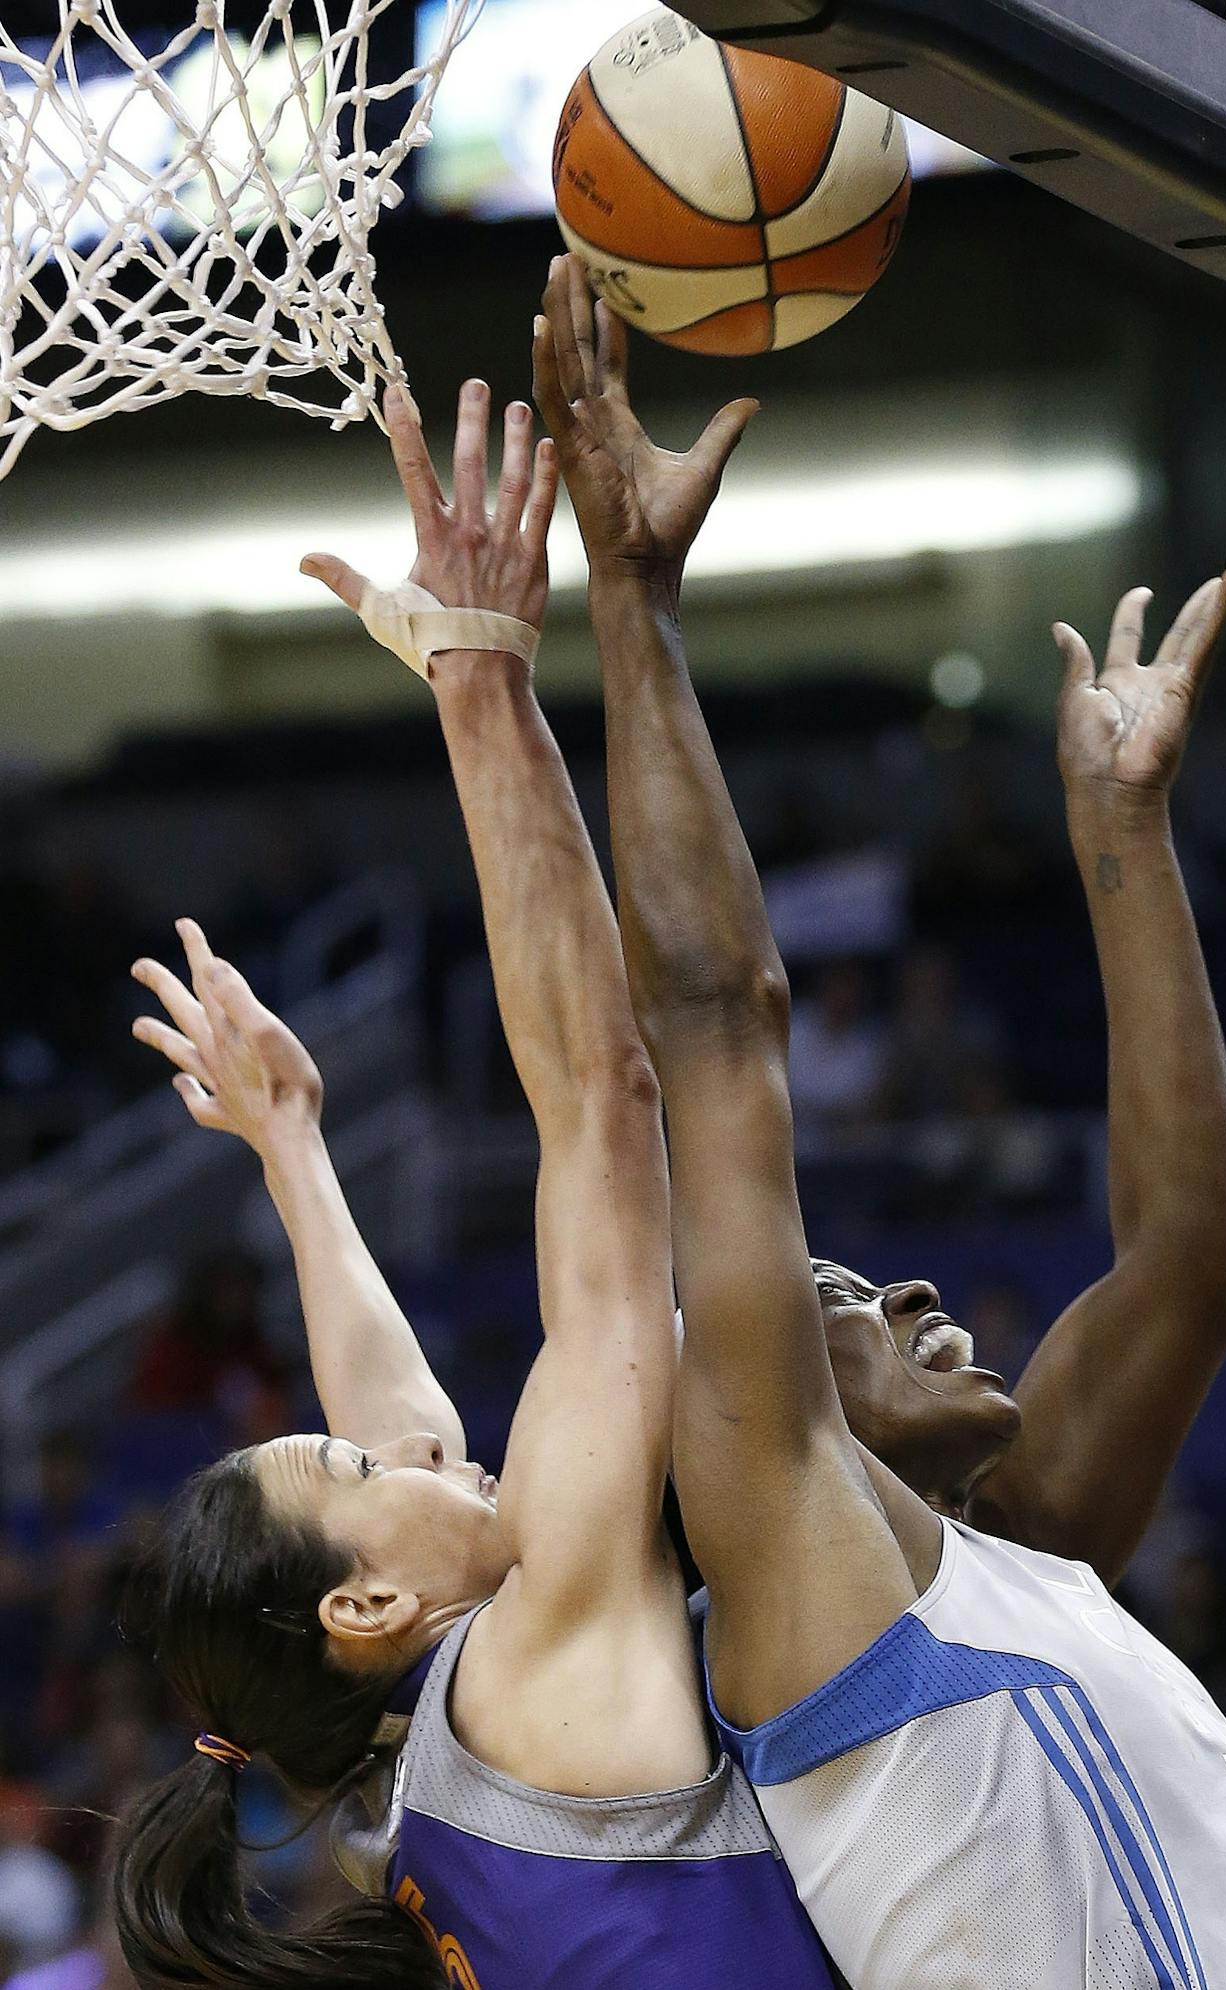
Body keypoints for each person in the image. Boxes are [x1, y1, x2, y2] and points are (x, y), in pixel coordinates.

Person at [534, 251, 1226, 1989]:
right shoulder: (800, 1558)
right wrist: (630, 600)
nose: (903, 1294)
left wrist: (1123, 830)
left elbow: (1198, 1255)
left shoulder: (1018, 1556)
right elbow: (717, 1024)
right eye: (838, 1294)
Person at [113, 383, 835, 1989]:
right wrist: (482, 683)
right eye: (362, 1463)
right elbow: (602, 1104)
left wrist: (297, 1150)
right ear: (368, 1598)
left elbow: (399, 1418)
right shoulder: (543, 1654)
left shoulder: (406, 1766)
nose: (424, 1439)